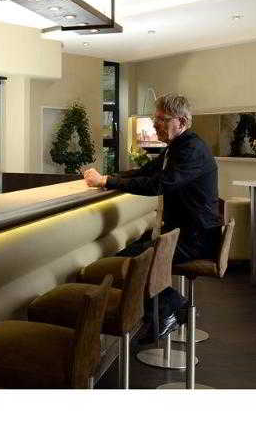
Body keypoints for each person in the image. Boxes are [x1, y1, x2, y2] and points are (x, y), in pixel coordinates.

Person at [82, 94, 223, 342]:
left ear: (181, 122)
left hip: (196, 239)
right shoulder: (177, 147)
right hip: (183, 234)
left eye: (161, 119)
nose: (155, 125)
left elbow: (159, 184)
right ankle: (171, 307)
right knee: (127, 256)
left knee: (129, 262)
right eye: (155, 119)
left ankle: (170, 307)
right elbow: (147, 171)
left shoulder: (191, 150)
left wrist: (106, 181)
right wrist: (107, 178)